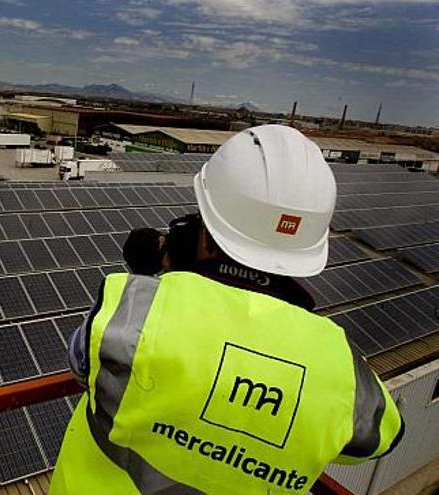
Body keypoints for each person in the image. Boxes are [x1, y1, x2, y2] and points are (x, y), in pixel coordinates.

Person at [51, 125, 403, 495]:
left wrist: (164, 278)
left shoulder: (135, 313)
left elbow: (82, 364)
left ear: (204, 235)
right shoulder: (340, 366)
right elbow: (381, 439)